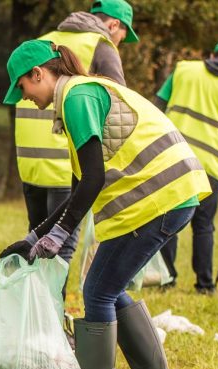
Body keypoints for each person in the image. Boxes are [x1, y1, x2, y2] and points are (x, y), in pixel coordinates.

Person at [0, 40, 211, 369]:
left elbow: (93, 178)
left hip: (159, 199)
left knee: (98, 290)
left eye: (23, 88)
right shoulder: (79, 96)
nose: (24, 98)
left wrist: (59, 234)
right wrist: (35, 237)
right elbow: (82, 187)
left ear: (39, 74)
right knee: (106, 289)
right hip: (167, 196)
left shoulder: (77, 99)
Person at [12, 0, 137, 279]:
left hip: (29, 159)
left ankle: (40, 313)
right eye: (122, 37)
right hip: (68, 160)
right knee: (60, 246)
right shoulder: (101, 45)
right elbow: (119, 104)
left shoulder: (42, 41)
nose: (119, 42)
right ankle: (53, 317)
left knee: (36, 242)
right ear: (114, 25)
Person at [154, 39, 218, 295]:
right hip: (209, 166)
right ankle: (205, 285)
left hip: (172, 157)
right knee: (204, 225)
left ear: (211, 55)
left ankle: (166, 279)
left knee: (168, 220)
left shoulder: (183, 69)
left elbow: (155, 109)